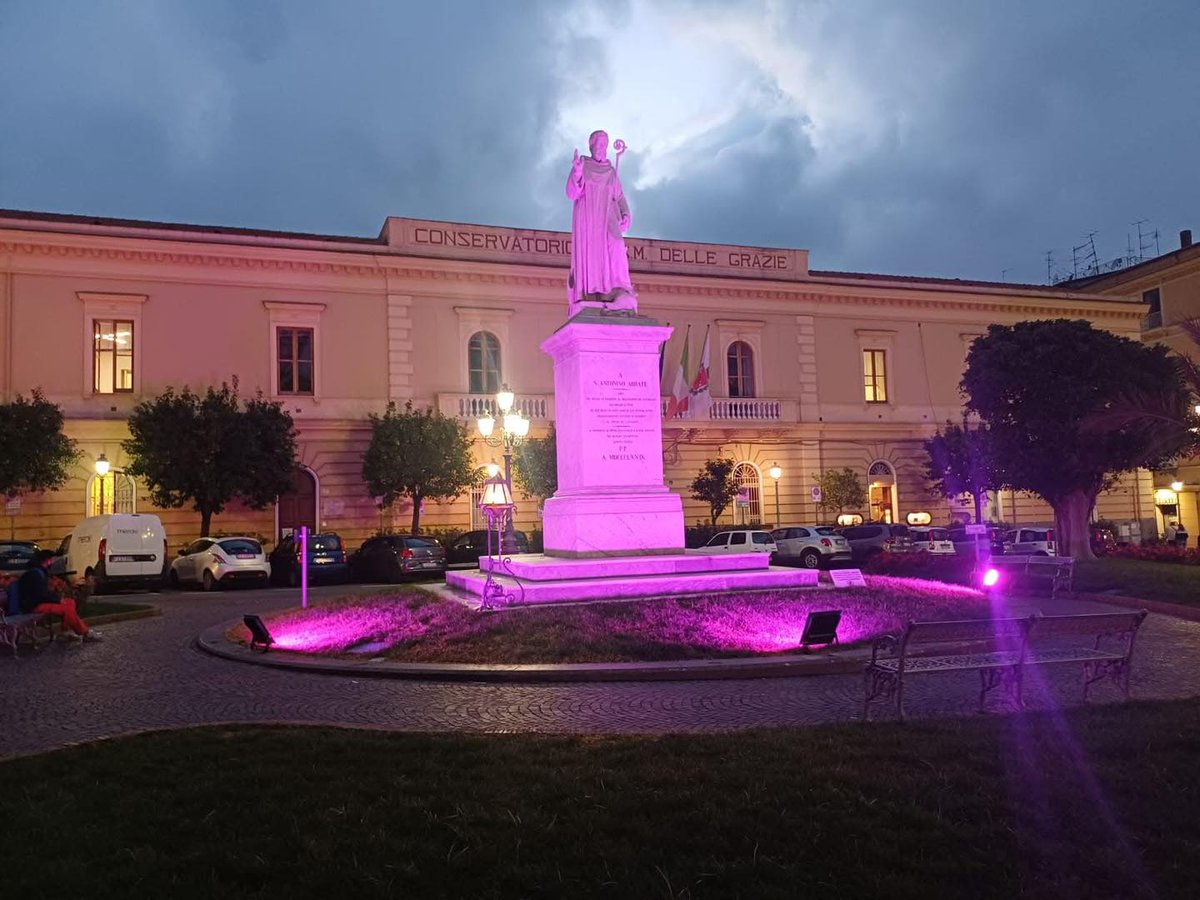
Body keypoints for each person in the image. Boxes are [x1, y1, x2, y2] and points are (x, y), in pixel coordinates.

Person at [565, 129, 637, 319]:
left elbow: (619, 196)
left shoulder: (611, 171)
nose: (601, 147)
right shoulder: (583, 165)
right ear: (591, 146)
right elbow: (572, 193)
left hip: (608, 215)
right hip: (589, 219)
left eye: (604, 144)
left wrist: (625, 213)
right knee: (593, 254)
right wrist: (577, 172)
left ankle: (620, 288)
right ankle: (593, 293)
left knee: (617, 244)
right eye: (598, 144)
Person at [18, 550, 101, 641]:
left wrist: (57, 598)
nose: (53, 562)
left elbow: (43, 592)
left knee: (70, 602)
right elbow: (40, 594)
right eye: (52, 560)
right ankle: (85, 633)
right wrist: (57, 600)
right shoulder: (35, 574)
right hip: (34, 605)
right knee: (67, 609)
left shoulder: (39, 572)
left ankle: (66, 631)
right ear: (47, 560)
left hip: (38, 602)